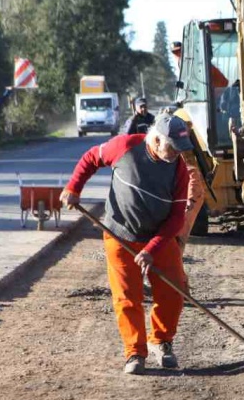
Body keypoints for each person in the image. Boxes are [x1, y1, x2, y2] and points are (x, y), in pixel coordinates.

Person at [59, 114, 193, 375]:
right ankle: (135, 352)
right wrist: (74, 187)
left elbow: (177, 218)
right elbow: (91, 158)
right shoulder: (125, 147)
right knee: (127, 296)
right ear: (155, 140)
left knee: (174, 289)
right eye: (173, 148)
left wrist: (151, 249)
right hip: (120, 234)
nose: (177, 154)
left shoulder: (178, 170)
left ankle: (161, 341)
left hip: (160, 238)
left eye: (181, 149)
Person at [172, 108, 207, 250]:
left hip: (189, 198)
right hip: (182, 197)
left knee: (177, 240)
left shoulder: (183, 151)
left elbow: (192, 174)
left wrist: (190, 199)